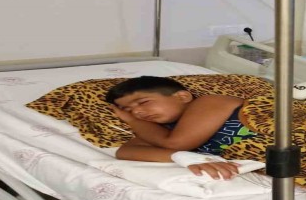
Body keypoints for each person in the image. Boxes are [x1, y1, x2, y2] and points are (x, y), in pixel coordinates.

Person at [105, 76, 257, 179]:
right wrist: (185, 158)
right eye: (128, 110)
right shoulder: (162, 131)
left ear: (182, 97)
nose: (137, 112)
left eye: (144, 102)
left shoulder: (210, 102)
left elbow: (176, 144)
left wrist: (132, 120)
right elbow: (125, 152)